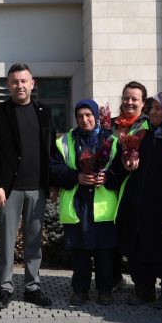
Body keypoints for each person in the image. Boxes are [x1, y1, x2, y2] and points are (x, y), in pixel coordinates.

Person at [0, 63, 55, 309]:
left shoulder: (45, 111)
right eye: (14, 81)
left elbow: (51, 150)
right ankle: (4, 287)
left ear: (32, 83)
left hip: (38, 187)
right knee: (6, 241)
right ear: (8, 85)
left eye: (24, 81)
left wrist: (52, 182)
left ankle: (32, 286)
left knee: (34, 241)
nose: (20, 85)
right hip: (9, 189)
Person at [113, 91, 162, 307]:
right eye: (151, 107)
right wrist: (126, 163)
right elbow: (121, 162)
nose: (153, 112)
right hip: (139, 201)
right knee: (139, 246)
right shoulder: (142, 134)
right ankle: (144, 289)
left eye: (159, 108)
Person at [50, 100, 120, 304]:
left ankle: (104, 290)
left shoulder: (111, 140)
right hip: (77, 204)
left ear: (96, 116)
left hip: (103, 206)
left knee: (104, 252)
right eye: (80, 116)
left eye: (89, 115)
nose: (84, 119)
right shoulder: (64, 141)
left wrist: (107, 177)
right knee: (79, 251)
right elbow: (55, 168)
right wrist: (76, 177)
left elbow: (120, 170)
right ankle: (80, 290)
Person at [110, 80, 149, 292]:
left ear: (143, 103)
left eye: (135, 99)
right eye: (126, 98)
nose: (130, 102)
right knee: (112, 238)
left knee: (133, 238)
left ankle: (140, 283)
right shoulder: (112, 125)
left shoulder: (146, 126)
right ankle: (115, 279)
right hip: (109, 189)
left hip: (134, 190)